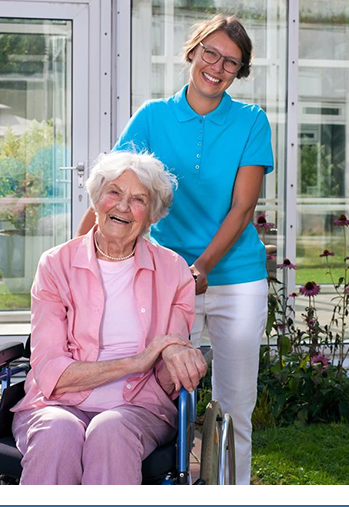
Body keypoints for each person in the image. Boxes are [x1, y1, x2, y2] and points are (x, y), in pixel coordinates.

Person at [77, 14, 274, 484]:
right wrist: (71, 259)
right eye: (211, 52)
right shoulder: (152, 118)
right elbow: (112, 193)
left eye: (231, 62)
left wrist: (202, 267)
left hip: (236, 278)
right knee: (154, 392)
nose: (217, 66)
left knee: (234, 404)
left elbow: (243, 208)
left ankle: (233, 490)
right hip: (163, 278)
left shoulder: (251, 121)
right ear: (193, 51)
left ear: (239, 72)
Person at [11, 151, 207, 485]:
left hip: (139, 408)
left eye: (138, 199)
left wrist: (177, 355)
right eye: (114, 192)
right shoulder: (56, 264)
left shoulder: (173, 269)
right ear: (97, 200)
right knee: (57, 433)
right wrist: (137, 361)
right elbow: (50, 373)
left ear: (150, 217)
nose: (121, 206)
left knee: (110, 431)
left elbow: (169, 361)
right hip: (56, 404)